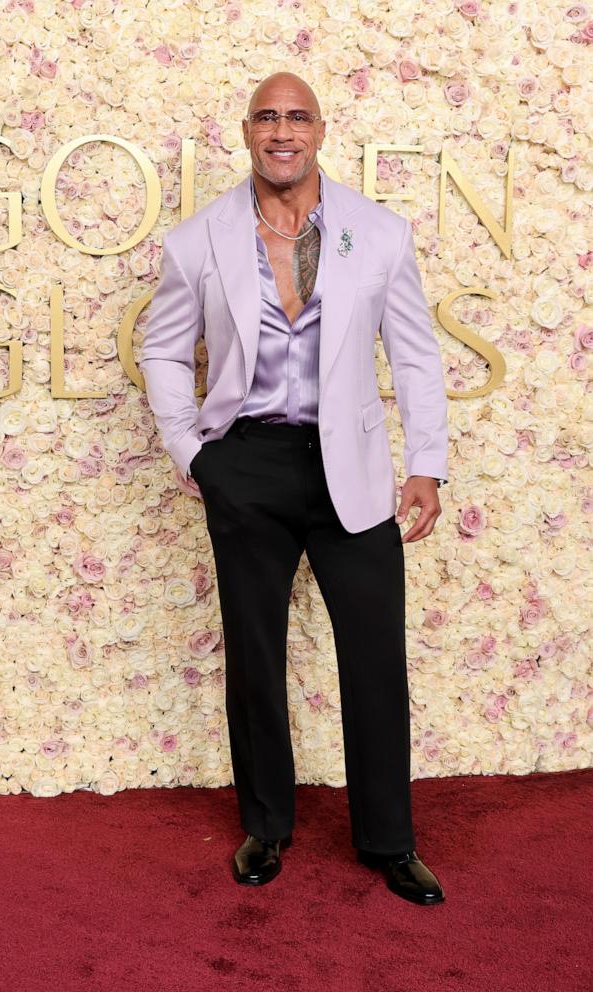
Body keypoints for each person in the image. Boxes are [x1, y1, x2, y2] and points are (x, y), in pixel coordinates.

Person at [140, 71, 449, 906]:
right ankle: (265, 827)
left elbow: (416, 353)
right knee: (254, 653)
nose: (282, 129)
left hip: (346, 463)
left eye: (296, 116)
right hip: (245, 463)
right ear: (246, 131)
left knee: (376, 657)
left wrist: (426, 461)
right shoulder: (197, 240)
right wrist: (192, 452)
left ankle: (389, 842)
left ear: (320, 129)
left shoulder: (379, 234)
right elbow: (163, 349)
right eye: (266, 117)